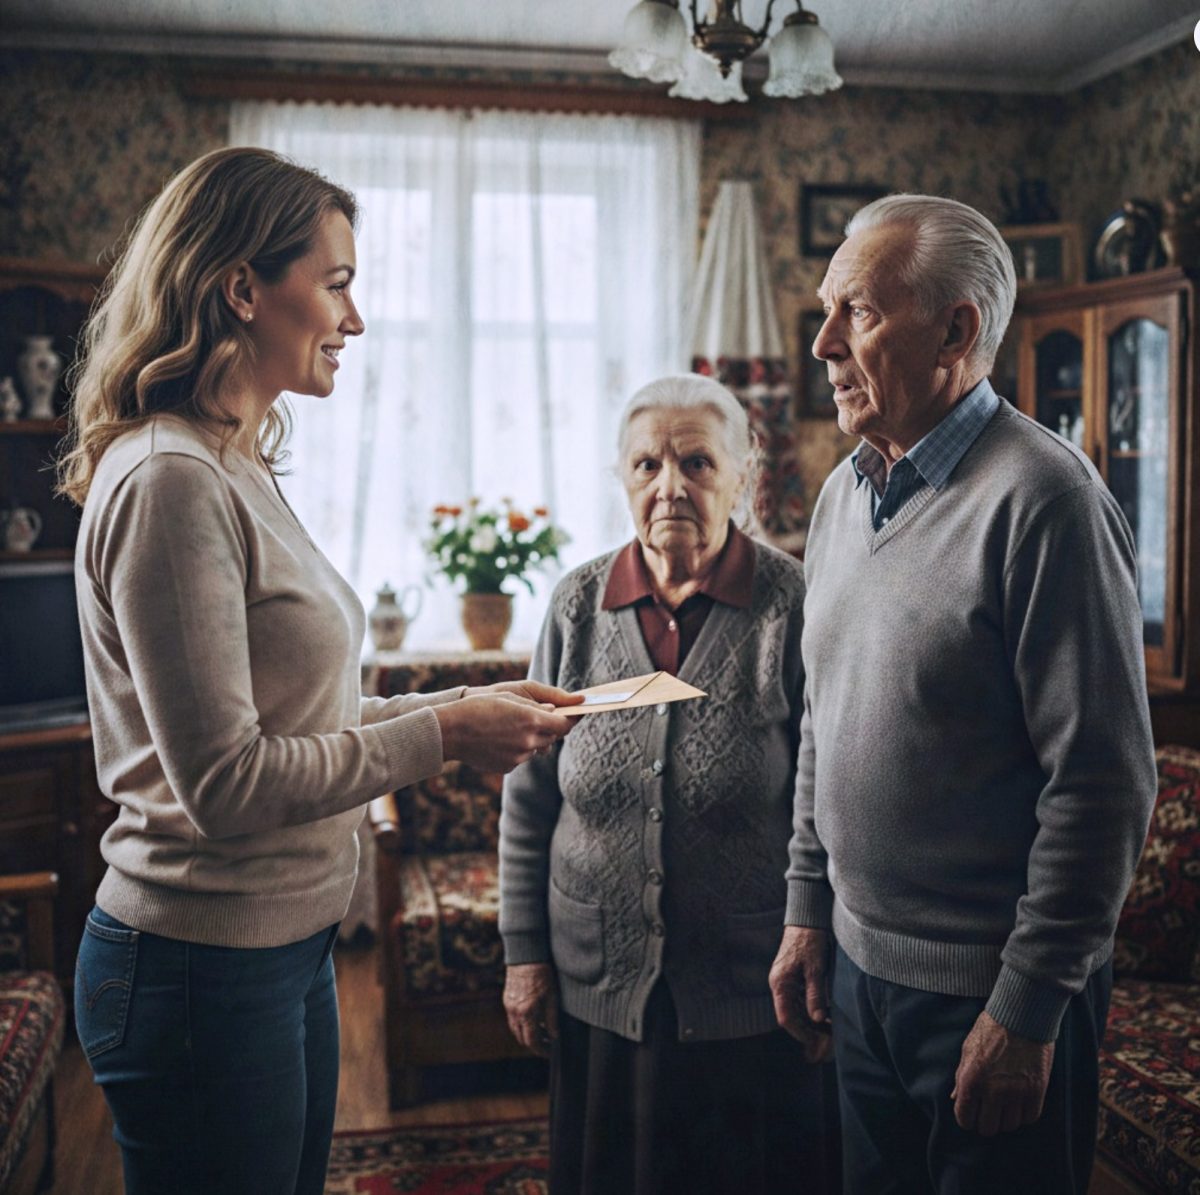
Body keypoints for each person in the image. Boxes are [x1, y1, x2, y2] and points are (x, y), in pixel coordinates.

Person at [57, 146, 578, 1195]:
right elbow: (227, 783)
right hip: (200, 967)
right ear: (242, 287)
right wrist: (446, 736)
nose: (356, 317)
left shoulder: (232, 461)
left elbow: (310, 713)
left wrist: (461, 702)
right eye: (336, 282)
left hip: (276, 951)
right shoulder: (171, 481)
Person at [768, 193, 1157, 1194]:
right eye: (828, 311)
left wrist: (1026, 1010)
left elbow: (1103, 786)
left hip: (991, 994)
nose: (822, 344)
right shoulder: (843, 492)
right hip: (858, 972)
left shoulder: (1048, 501)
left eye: (856, 313)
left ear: (958, 327)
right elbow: (825, 715)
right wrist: (808, 909)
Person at [499, 374, 838, 1195]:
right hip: (600, 984)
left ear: (744, 471)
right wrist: (524, 954)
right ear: (623, 477)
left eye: (695, 461)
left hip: (747, 986)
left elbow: (822, 795)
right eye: (648, 464)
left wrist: (816, 933)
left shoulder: (790, 603)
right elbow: (530, 790)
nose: (670, 485)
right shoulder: (577, 604)